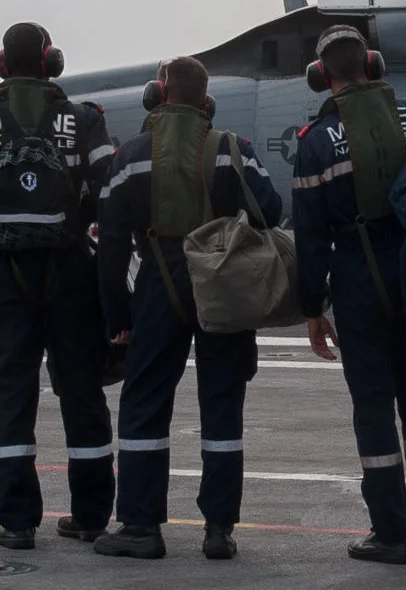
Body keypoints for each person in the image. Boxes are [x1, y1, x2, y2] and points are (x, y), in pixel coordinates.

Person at [92, 55, 282, 560]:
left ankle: (140, 525)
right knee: (222, 405)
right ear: (207, 103)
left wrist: (119, 320)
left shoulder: (129, 155)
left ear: (157, 94)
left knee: (145, 403)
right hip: (221, 280)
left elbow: (110, 248)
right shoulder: (231, 150)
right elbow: (273, 209)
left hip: (158, 281)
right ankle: (219, 528)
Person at [290, 26, 406, 565]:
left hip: (357, 275)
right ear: (374, 65)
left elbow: (311, 237)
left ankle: (390, 533)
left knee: (373, 407)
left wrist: (313, 308)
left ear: (321, 78)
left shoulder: (315, 142)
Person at [0, 22, 118, 550]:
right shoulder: (85, 119)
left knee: (12, 396)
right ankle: (92, 514)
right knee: (82, 393)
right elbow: (108, 189)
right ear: (52, 62)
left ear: (3, 65)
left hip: (10, 276)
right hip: (72, 271)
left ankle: (17, 520)